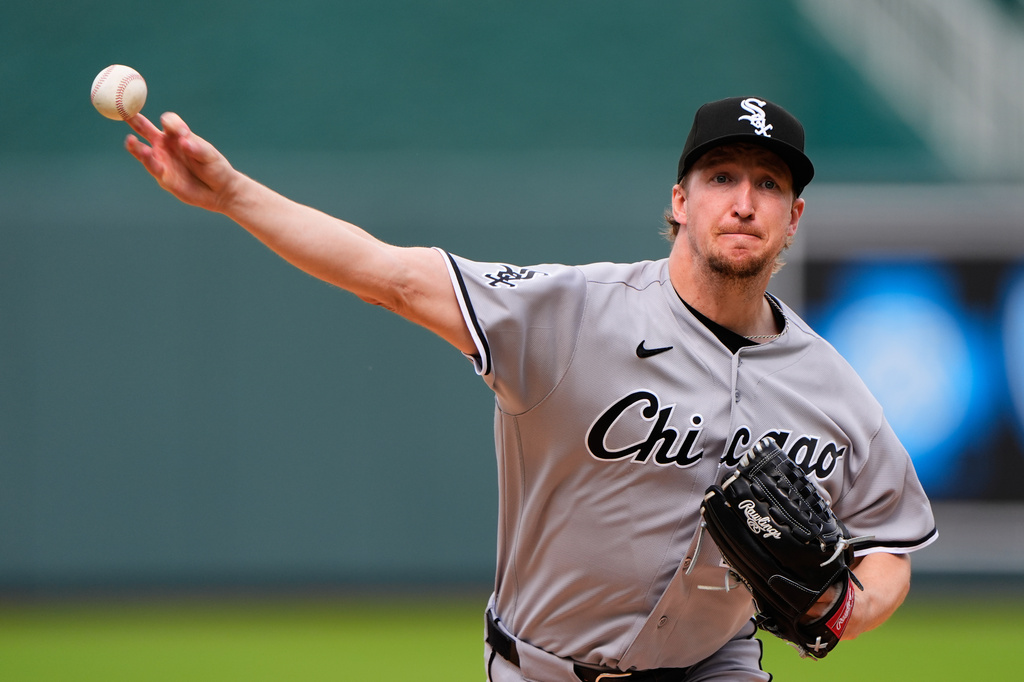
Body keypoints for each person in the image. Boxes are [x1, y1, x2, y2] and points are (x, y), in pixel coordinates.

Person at [123, 96, 937, 681]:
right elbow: (391, 277)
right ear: (681, 202)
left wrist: (844, 610)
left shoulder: (830, 385)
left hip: (712, 666)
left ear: (794, 218)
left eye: (770, 185)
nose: (745, 201)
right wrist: (232, 194)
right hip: (545, 670)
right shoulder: (571, 312)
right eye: (723, 176)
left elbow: (889, 541)